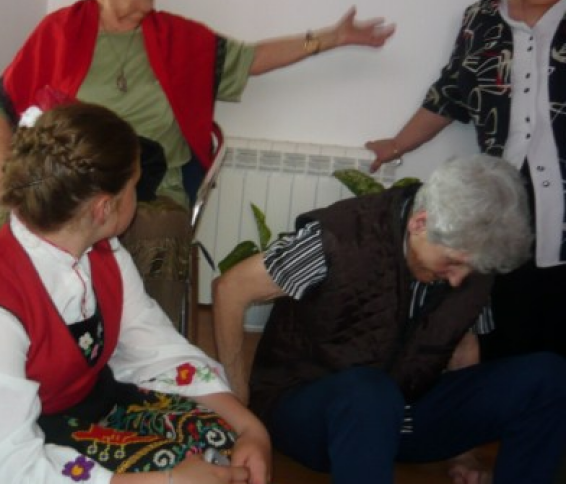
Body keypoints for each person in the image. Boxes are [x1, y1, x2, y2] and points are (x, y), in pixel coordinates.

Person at [0, 0, 396, 327]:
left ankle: (146, 354)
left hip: (154, 185)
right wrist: (0, 165)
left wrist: (330, 38)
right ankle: (18, 330)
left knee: (158, 230)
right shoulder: (59, 32)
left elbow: (250, 59)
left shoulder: (177, 38)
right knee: (13, 219)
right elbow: (2, 104)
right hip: (75, 182)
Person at [0, 102, 273, 484]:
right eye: (135, 186)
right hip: (18, 453)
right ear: (105, 208)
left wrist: (250, 428)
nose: (139, 195)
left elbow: (154, 348)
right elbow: (5, 467)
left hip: (89, 409)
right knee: (191, 469)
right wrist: (167, 481)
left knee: (221, 441)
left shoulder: (103, 253)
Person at [211, 154, 566, 484]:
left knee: (548, 377)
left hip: (402, 412)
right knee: (370, 394)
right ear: (420, 223)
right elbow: (231, 288)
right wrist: (240, 411)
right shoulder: (337, 237)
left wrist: (463, 454)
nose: (459, 279)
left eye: (471, 269)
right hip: (311, 412)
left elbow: (463, 344)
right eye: (453, 263)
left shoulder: (469, 256)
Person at [365, 0, 566, 361]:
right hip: (500, 202)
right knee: (503, 328)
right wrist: (398, 144)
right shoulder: (483, 17)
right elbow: (450, 93)